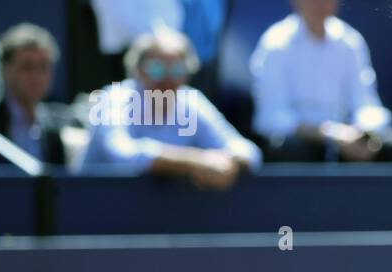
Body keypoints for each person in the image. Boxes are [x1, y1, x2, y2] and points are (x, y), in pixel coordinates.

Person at [249, 0, 392, 162]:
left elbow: (366, 103)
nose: (320, 4)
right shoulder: (276, 43)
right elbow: (271, 117)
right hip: (302, 141)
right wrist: (329, 133)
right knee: (290, 150)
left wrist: (365, 134)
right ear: (296, 0)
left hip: (349, 137)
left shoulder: (349, 41)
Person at [80, 28, 262, 184]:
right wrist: (197, 161)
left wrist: (230, 164)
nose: (167, 78)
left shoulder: (191, 100)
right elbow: (120, 153)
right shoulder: (114, 98)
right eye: (156, 69)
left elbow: (247, 151)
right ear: (138, 70)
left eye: (176, 70)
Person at [0, 24, 75, 166]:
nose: (36, 77)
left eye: (43, 67)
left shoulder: (57, 126)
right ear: (5, 70)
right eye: (27, 67)